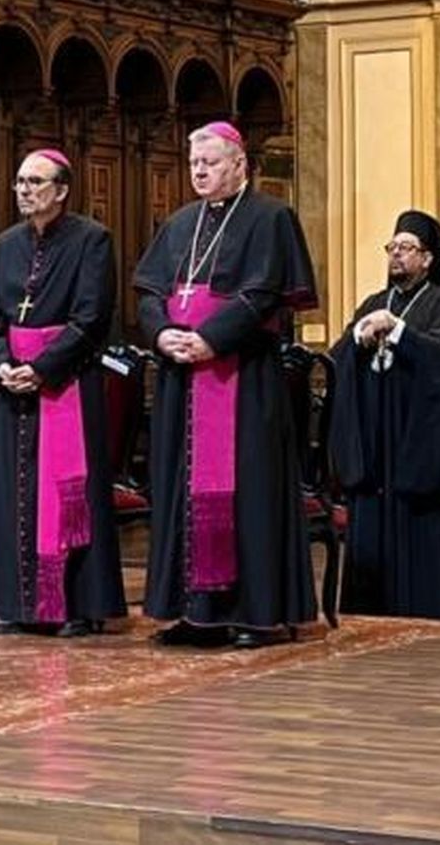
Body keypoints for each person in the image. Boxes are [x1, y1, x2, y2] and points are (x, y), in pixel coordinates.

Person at [135, 122, 319, 648]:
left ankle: (253, 613)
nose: (199, 171)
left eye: (210, 162)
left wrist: (212, 339)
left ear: (239, 164)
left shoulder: (271, 217)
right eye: (194, 163)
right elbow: (149, 290)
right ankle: (194, 611)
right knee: (179, 487)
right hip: (181, 377)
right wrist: (164, 333)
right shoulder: (179, 224)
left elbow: (263, 293)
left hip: (242, 376)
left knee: (249, 491)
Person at [0, 149, 125, 636]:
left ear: (61, 191)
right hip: (11, 387)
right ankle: (17, 604)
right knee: (12, 495)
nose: (23, 190)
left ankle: (76, 606)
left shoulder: (92, 240)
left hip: (65, 384)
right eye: (19, 181)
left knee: (69, 494)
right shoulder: (7, 243)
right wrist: (1, 363)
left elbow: (91, 319)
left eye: (35, 182)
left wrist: (40, 368)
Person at [329, 210, 440, 619]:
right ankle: (369, 606)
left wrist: (398, 331)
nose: (396, 256)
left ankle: (429, 606)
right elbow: (339, 357)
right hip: (375, 434)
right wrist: (358, 338)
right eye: (392, 248)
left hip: (417, 436)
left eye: (406, 248)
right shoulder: (375, 302)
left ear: (428, 258)